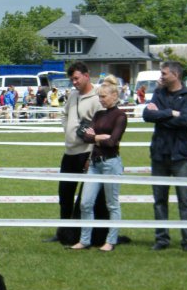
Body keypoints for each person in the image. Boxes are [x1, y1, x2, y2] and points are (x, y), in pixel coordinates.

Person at [142, 61, 187, 251]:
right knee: (159, 200)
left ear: (175, 74)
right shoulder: (159, 93)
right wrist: (170, 113)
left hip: (181, 155)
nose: (161, 76)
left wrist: (161, 115)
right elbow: (147, 115)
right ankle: (161, 239)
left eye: (164, 73)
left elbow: (185, 121)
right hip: (159, 154)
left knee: (185, 201)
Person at [70, 76, 127, 252]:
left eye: (103, 97)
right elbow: (86, 135)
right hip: (94, 164)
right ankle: (85, 240)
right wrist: (97, 138)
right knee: (85, 203)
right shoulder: (98, 114)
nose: (100, 100)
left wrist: (95, 138)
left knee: (112, 204)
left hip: (111, 163)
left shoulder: (121, 116)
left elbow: (113, 142)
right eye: (99, 96)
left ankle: (111, 240)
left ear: (114, 96)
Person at [47, 62, 102, 243]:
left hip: (87, 152)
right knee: (65, 194)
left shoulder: (97, 98)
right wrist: (68, 129)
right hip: (70, 152)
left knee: (86, 199)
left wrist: (92, 153)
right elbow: (64, 114)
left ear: (87, 75)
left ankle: (83, 234)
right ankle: (63, 232)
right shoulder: (72, 96)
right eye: (72, 79)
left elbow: (101, 127)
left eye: (77, 78)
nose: (74, 82)